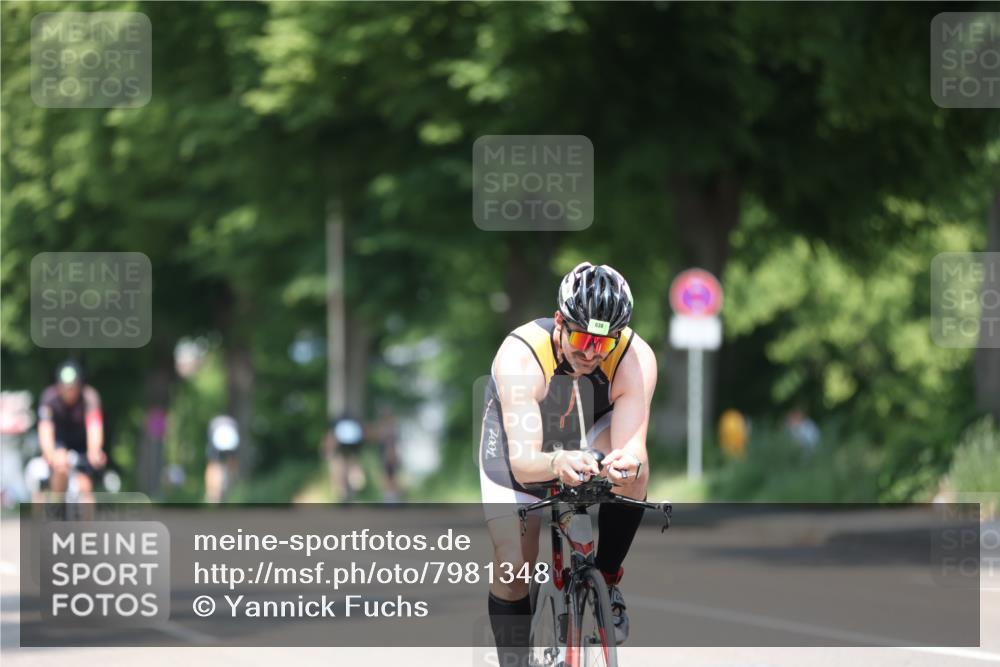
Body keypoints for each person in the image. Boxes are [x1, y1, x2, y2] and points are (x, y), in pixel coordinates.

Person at [479, 262, 657, 664]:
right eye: (580, 337)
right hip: (524, 435)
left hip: (593, 424)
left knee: (635, 474)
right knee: (512, 566)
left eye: (604, 343)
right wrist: (557, 460)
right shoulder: (521, 356)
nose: (591, 352)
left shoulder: (635, 359)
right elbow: (524, 464)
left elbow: (633, 449)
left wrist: (623, 465)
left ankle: (607, 578)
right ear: (559, 321)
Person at [37, 361, 106, 502]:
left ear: (79, 385)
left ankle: (87, 523)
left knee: (85, 488)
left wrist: (95, 451)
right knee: (60, 468)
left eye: (72, 387)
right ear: (58, 386)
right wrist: (50, 454)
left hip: (81, 443)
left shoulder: (89, 397)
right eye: (65, 387)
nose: (69, 391)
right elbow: (45, 429)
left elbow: (95, 427)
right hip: (59, 441)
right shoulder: (49, 398)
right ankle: (57, 506)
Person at [204, 414, 240, 503]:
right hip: (229, 432)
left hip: (219, 432)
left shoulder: (214, 425)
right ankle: (231, 489)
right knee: (231, 461)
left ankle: (212, 493)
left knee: (213, 463)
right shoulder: (232, 424)